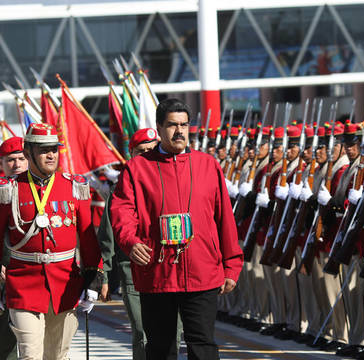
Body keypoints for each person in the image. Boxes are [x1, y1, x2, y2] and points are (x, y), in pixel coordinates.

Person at [111, 98, 243, 360]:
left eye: (184, 125)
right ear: (160, 128)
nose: (180, 131)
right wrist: (130, 241)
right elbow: (122, 211)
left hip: (201, 270)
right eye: (172, 125)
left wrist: (231, 265)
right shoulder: (137, 168)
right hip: (157, 271)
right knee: (160, 347)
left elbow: (224, 218)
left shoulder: (208, 165)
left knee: (203, 345)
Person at [0, 123, 103, 359]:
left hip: (64, 284)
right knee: (30, 353)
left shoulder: (74, 186)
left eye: (54, 149)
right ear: (29, 154)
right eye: (44, 150)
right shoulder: (10, 189)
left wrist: (94, 277)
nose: (51, 155)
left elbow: (87, 238)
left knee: (57, 354)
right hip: (23, 284)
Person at [98, 128, 159, 360]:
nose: (147, 155)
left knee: (173, 333)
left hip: (169, 269)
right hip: (133, 271)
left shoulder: (175, 182)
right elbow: (106, 237)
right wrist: (103, 276)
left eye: (152, 150)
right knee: (143, 333)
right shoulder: (121, 188)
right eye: (141, 151)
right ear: (131, 155)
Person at [0, 137, 27, 360]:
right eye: (10, 160)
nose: (17, 164)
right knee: (5, 343)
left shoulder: (43, 190)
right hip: (3, 277)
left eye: (21, 158)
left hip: (32, 275)